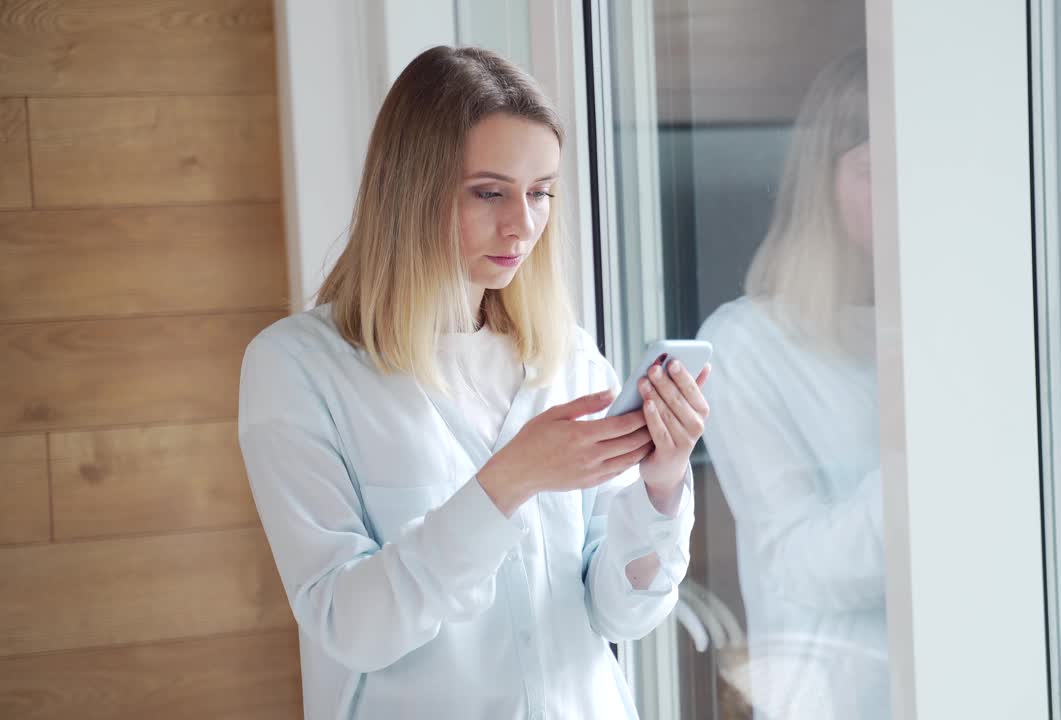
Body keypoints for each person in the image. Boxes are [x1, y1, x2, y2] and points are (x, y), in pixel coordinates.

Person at [237, 46, 710, 719]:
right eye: (490, 192)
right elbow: (351, 624)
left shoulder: (566, 359)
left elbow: (620, 613)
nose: (523, 223)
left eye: (541, 192)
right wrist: (506, 484)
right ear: (411, 187)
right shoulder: (297, 369)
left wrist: (662, 489)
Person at [697, 51, 886, 719]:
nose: (900, 192)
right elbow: (800, 566)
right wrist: (933, 451)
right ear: (822, 185)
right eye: (872, 170)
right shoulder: (746, 346)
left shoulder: (971, 332)